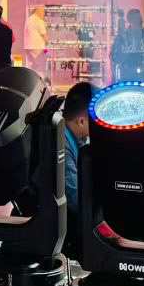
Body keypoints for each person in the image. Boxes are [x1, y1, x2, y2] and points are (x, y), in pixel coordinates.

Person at [60, 81, 93, 259]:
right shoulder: (61, 146)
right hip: (66, 238)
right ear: (81, 121)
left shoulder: (74, 138)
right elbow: (76, 199)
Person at [24, 5, 48, 74]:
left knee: (31, 67)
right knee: (41, 67)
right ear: (39, 11)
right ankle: (40, 79)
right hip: (38, 48)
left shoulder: (29, 19)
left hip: (28, 47)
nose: (44, 13)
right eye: (43, 11)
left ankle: (30, 79)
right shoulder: (39, 21)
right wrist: (47, 48)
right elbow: (45, 37)